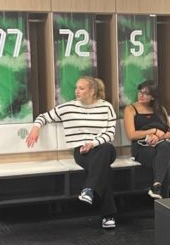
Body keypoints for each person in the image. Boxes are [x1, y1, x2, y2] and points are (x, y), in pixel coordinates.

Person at [27, 76, 119, 228]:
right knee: (104, 170)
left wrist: (93, 143)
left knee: (105, 149)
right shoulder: (68, 107)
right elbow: (44, 117)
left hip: (103, 148)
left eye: (81, 88)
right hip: (82, 153)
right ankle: (108, 215)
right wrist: (35, 128)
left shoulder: (106, 107)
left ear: (92, 91)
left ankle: (89, 189)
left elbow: (110, 134)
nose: (77, 91)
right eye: (76, 87)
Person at [123, 80, 170, 200]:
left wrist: (158, 137)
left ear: (153, 97)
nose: (141, 95)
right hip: (141, 147)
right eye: (140, 92)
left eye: (146, 93)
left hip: (160, 146)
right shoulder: (130, 109)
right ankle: (164, 200)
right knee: (164, 161)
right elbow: (131, 135)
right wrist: (153, 131)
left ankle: (157, 186)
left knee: (166, 147)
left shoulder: (160, 110)